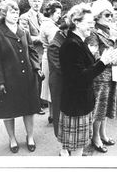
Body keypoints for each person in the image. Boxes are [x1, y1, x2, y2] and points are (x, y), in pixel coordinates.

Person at [57, 3, 117, 156]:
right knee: (76, 151)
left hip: (80, 103)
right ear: (77, 23)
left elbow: (82, 70)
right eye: (88, 23)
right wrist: (102, 61)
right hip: (76, 105)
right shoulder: (72, 45)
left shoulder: (78, 42)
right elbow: (81, 78)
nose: (92, 27)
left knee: (77, 149)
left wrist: (95, 58)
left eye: (93, 23)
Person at [0, 0, 44, 153]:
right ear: (4, 13)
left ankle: (30, 136)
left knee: (29, 109)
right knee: (8, 111)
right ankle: (12, 139)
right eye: (12, 12)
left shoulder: (23, 31)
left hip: (27, 78)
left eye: (17, 11)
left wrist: (37, 67)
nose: (15, 15)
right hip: (8, 80)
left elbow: (32, 52)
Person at [85, 0, 117, 153]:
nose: (110, 17)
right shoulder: (93, 33)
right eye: (107, 14)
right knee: (99, 107)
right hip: (99, 76)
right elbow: (95, 57)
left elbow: (116, 52)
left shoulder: (109, 30)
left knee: (106, 107)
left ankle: (103, 134)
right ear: (97, 16)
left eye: (111, 14)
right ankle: (95, 138)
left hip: (111, 74)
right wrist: (112, 57)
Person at [19, 0, 46, 115]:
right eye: (34, 1)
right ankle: (36, 105)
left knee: (42, 77)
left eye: (39, 2)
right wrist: (41, 38)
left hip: (44, 51)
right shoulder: (25, 17)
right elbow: (25, 35)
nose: (36, 4)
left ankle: (41, 101)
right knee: (35, 78)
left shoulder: (43, 16)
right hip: (32, 52)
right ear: (30, 3)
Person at [47, 19, 70, 156]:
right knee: (59, 114)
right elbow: (60, 68)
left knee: (69, 114)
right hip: (59, 84)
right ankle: (63, 147)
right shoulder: (54, 45)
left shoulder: (66, 40)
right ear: (64, 30)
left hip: (68, 82)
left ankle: (69, 145)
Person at [40, 1, 62, 124]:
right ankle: (54, 115)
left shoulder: (48, 24)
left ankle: (52, 114)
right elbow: (55, 42)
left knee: (50, 85)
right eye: (57, 12)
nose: (59, 15)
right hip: (51, 58)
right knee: (53, 85)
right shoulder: (50, 26)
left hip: (47, 56)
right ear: (51, 13)